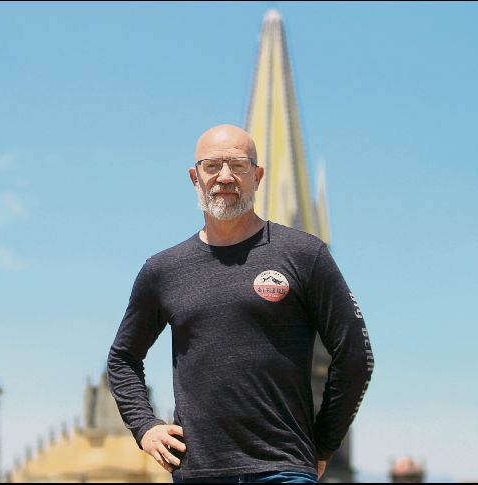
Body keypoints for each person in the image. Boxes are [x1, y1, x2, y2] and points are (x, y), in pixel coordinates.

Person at [107, 124, 374, 483]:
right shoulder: (162, 270)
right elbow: (122, 358)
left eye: (239, 165)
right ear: (194, 177)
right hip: (198, 472)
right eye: (212, 165)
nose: (225, 176)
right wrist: (144, 426)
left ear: (258, 176)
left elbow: (356, 355)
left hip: (283, 471)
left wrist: (323, 446)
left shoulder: (304, 254)